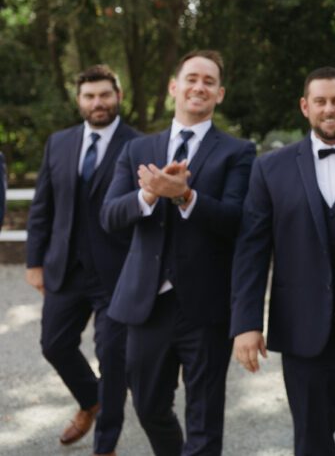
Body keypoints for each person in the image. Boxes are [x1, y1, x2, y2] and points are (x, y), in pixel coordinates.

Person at [101, 49, 256, 455]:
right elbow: (109, 215)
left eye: (208, 81)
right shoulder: (138, 149)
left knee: (205, 418)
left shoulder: (238, 152)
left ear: (219, 94)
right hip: (146, 305)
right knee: (149, 405)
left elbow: (236, 220)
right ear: (174, 87)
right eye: (191, 78)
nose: (198, 86)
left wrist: (186, 196)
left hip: (205, 307)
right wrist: (148, 193)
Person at [230, 67, 335, 455]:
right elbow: (252, 250)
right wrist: (246, 323)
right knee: (312, 444)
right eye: (320, 101)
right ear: (305, 107)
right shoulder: (270, 168)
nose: (329, 109)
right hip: (303, 334)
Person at [24, 65, 140, 455]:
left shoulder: (139, 144)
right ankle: (91, 400)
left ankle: (104, 445)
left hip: (117, 273)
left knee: (113, 357)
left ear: (118, 96)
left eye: (105, 94)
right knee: (54, 344)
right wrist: (34, 262)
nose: (98, 103)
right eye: (90, 96)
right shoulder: (58, 143)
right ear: (79, 101)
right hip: (66, 269)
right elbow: (43, 207)